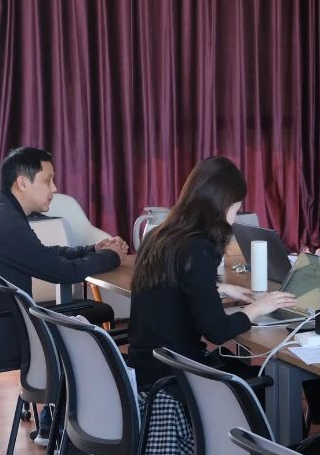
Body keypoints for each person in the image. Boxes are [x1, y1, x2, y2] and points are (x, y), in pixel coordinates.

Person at [0, 146, 127, 370]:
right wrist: (112, 256)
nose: (54, 188)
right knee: (84, 339)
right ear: (23, 183)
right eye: (47, 180)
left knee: (75, 332)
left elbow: (39, 253)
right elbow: (64, 273)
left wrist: (92, 249)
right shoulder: (4, 222)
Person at [127, 156, 296, 391]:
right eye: (236, 208)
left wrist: (219, 288)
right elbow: (217, 331)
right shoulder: (197, 247)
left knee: (231, 361)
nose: (234, 218)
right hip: (178, 379)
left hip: (148, 370)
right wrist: (258, 308)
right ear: (221, 204)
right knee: (272, 384)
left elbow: (170, 287)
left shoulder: (159, 236)